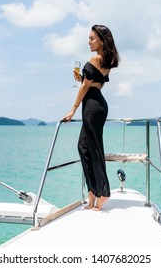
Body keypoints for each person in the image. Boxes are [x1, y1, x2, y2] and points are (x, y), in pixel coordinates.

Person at [62, 24, 120, 211]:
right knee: (84, 147)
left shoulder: (95, 58)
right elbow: (96, 84)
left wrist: (72, 109)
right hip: (97, 105)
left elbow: (86, 87)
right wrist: (82, 79)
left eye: (92, 38)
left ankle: (103, 193)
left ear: (102, 41)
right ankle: (93, 191)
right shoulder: (106, 60)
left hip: (92, 107)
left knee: (93, 149)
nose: (89, 41)